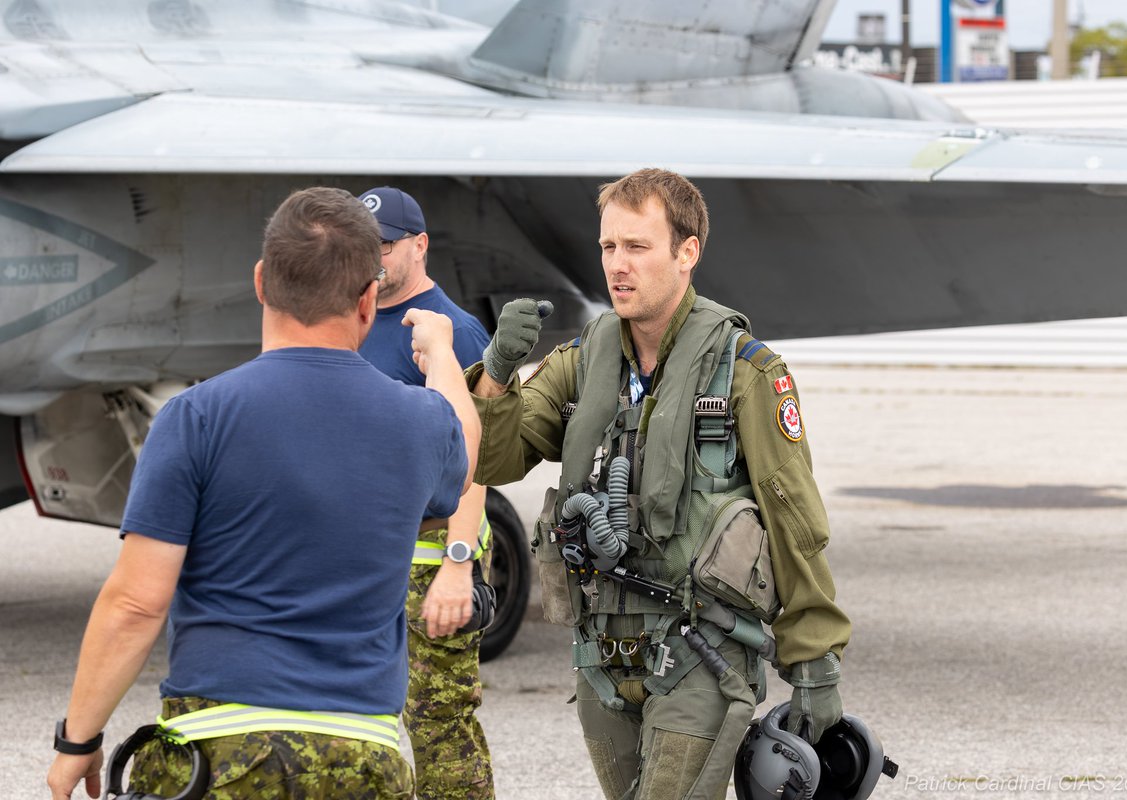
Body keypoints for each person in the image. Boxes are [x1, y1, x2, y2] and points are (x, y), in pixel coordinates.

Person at [46, 187, 480, 800]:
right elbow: (463, 450)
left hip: (215, 748)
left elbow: (135, 605)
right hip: (362, 753)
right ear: (366, 299)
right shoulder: (419, 423)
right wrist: (440, 357)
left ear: (260, 281)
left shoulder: (194, 417)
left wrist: (78, 741)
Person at [465, 169, 852, 799]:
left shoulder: (749, 373)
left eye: (637, 247)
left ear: (687, 252)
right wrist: (499, 371)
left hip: (699, 655)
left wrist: (814, 662)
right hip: (600, 661)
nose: (618, 265)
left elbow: (795, 525)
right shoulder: (585, 361)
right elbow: (496, 458)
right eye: (608, 247)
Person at [355, 185, 495, 800]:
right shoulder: (351, 320)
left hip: (430, 558)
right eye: (364, 246)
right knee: (361, 726)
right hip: (364, 562)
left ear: (419, 245)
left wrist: (459, 566)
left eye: (385, 245)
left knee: (438, 724)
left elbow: (474, 460)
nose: (374, 257)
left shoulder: (451, 332)